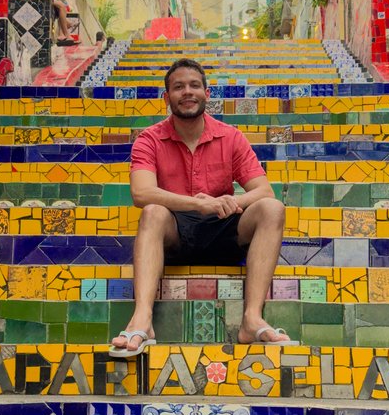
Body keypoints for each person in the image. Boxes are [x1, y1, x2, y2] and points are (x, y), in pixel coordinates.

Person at [108, 58, 294, 358]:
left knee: (272, 208)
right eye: (178, 87)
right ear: (166, 97)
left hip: (224, 229)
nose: (187, 92)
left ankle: (251, 319)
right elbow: (141, 193)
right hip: (175, 234)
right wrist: (198, 203)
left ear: (207, 93)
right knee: (152, 212)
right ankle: (143, 318)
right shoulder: (149, 139)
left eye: (195, 85)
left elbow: (263, 190)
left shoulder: (230, 137)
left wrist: (229, 202)